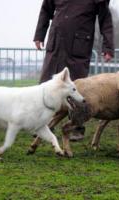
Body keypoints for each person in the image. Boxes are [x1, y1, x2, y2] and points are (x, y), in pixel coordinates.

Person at [34, 0, 114, 140]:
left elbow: (105, 19)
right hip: (56, 45)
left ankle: (76, 128)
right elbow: (46, 10)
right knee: (47, 85)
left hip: (78, 46)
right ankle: (41, 125)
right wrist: (39, 35)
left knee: (77, 88)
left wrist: (108, 46)